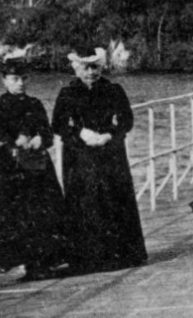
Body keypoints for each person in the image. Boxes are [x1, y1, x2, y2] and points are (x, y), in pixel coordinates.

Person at [52, 45, 147, 272]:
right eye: (86, 68)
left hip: (109, 152)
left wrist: (109, 135)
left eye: (95, 67)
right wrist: (79, 134)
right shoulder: (67, 93)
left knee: (113, 198)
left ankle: (119, 254)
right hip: (79, 153)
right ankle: (85, 258)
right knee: (84, 200)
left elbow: (127, 121)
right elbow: (57, 125)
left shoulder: (113, 89)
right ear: (77, 69)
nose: (91, 72)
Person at [0, 60, 72, 281]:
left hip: (38, 163)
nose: (20, 83)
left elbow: (48, 133)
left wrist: (42, 138)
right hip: (11, 165)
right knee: (16, 213)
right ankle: (23, 262)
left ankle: (46, 261)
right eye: (14, 79)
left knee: (45, 209)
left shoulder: (35, 103)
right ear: (4, 81)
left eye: (23, 79)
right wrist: (13, 137)